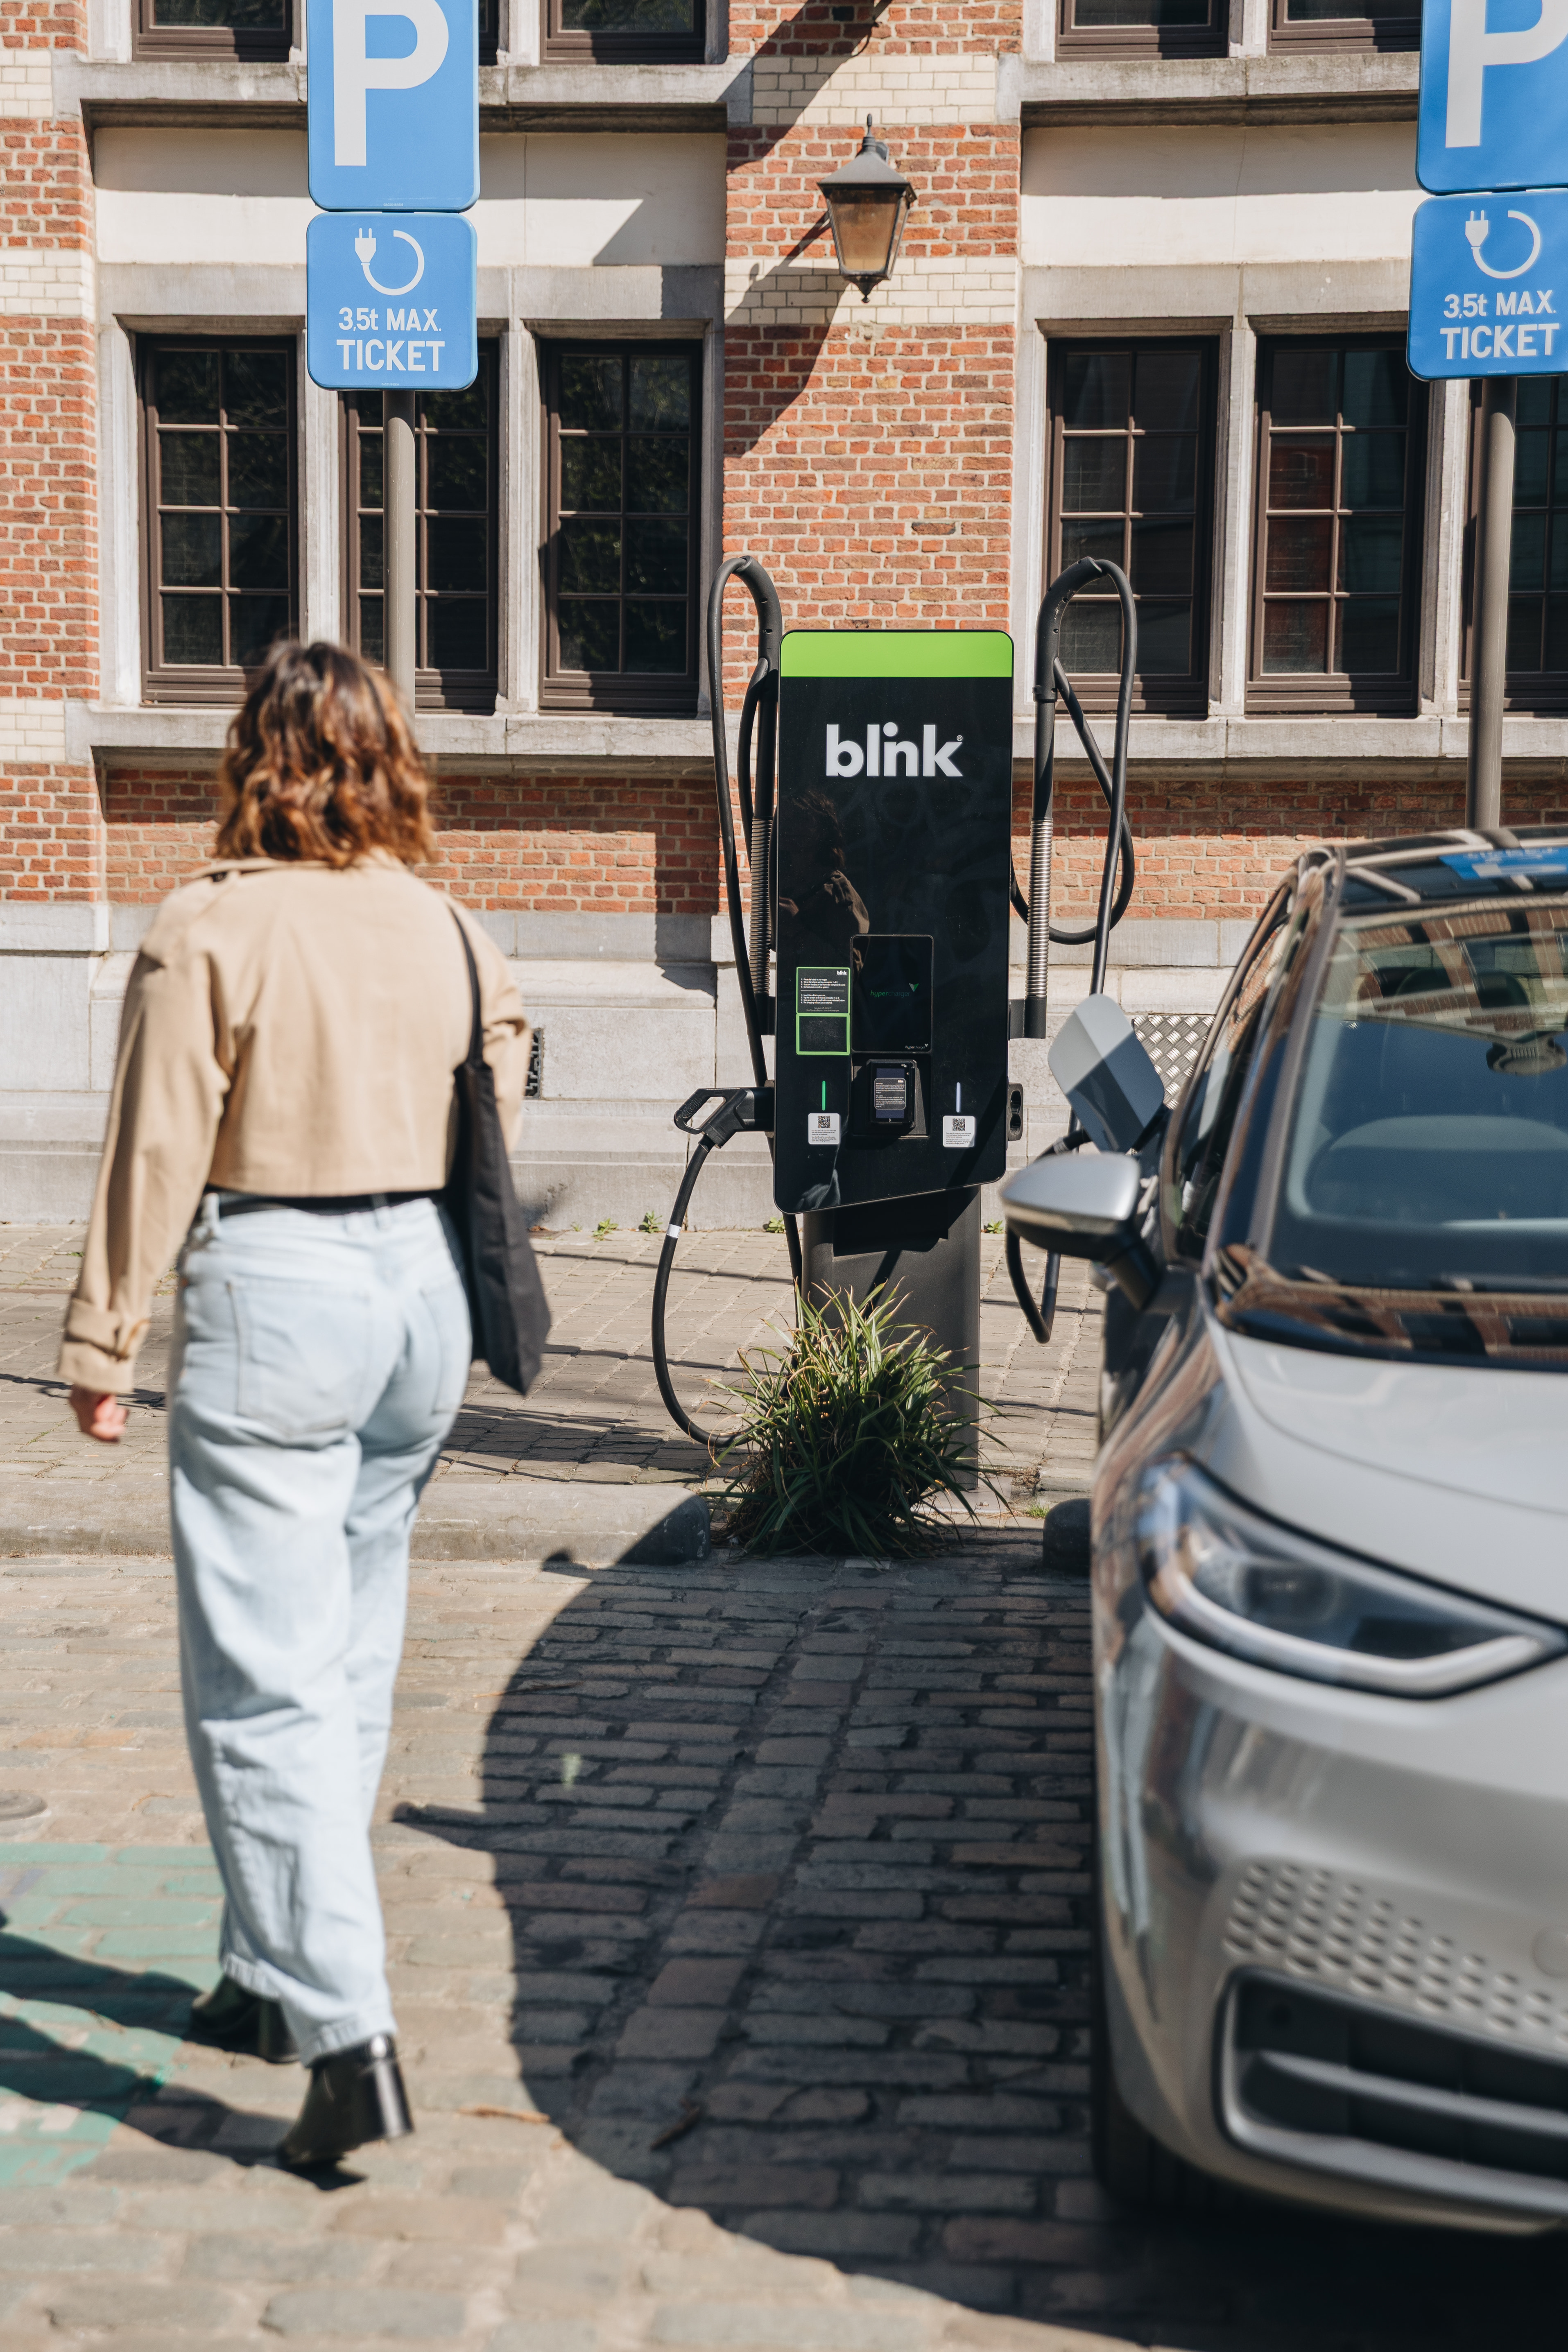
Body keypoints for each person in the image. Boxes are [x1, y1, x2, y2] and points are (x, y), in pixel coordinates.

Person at [58, 642, 530, 2169]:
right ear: (391, 756)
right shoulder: (451, 924)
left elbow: (153, 1144)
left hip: (279, 1285)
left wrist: (102, 1337)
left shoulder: (215, 924)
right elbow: (501, 1078)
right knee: (346, 1651)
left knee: (259, 1686)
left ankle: (346, 2031)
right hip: (420, 1303)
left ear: (254, 756)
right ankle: (265, 1975)